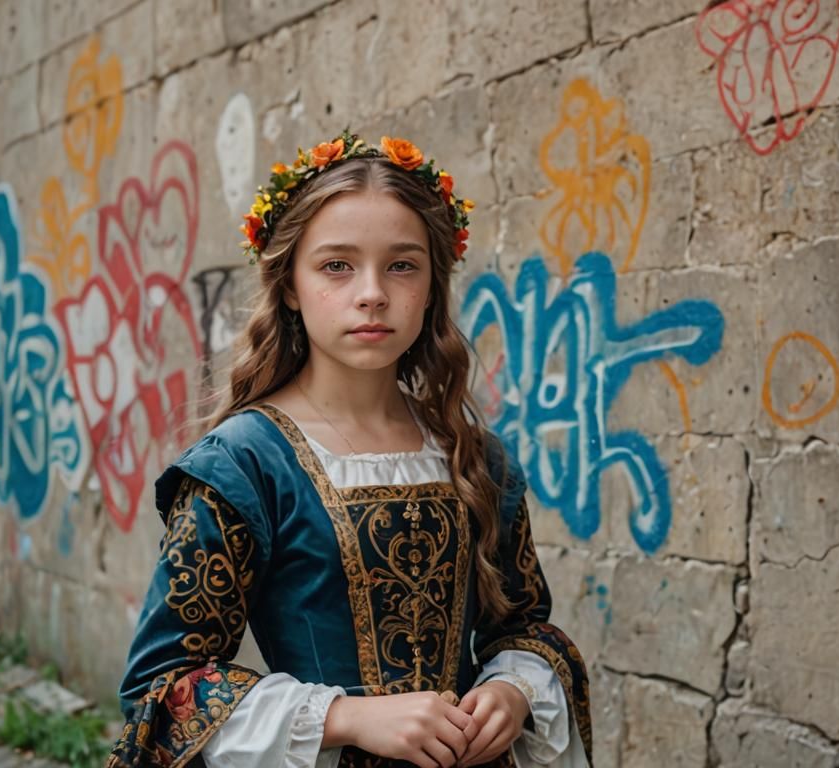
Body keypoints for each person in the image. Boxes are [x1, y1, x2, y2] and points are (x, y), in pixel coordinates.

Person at [107, 131, 591, 768]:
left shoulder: (475, 457)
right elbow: (163, 685)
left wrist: (512, 687)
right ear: (288, 284)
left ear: (432, 285)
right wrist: (347, 716)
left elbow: (526, 625)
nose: (372, 292)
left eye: (402, 264)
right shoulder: (246, 465)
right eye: (337, 265)